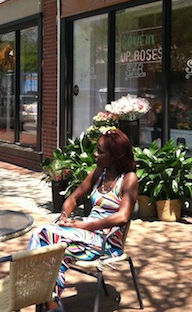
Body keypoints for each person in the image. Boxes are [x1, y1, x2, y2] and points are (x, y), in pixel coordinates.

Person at [27, 128, 138, 310]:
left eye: (100, 151)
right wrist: (65, 215)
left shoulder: (128, 179)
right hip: (84, 236)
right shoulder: (99, 173)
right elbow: (74, 198)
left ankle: (38, 296)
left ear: (115, 155)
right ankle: (50, 301)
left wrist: (85, 225)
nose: (95, 154)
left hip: (106, 242)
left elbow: (122, 216)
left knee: (45, 235)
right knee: (52, 250)